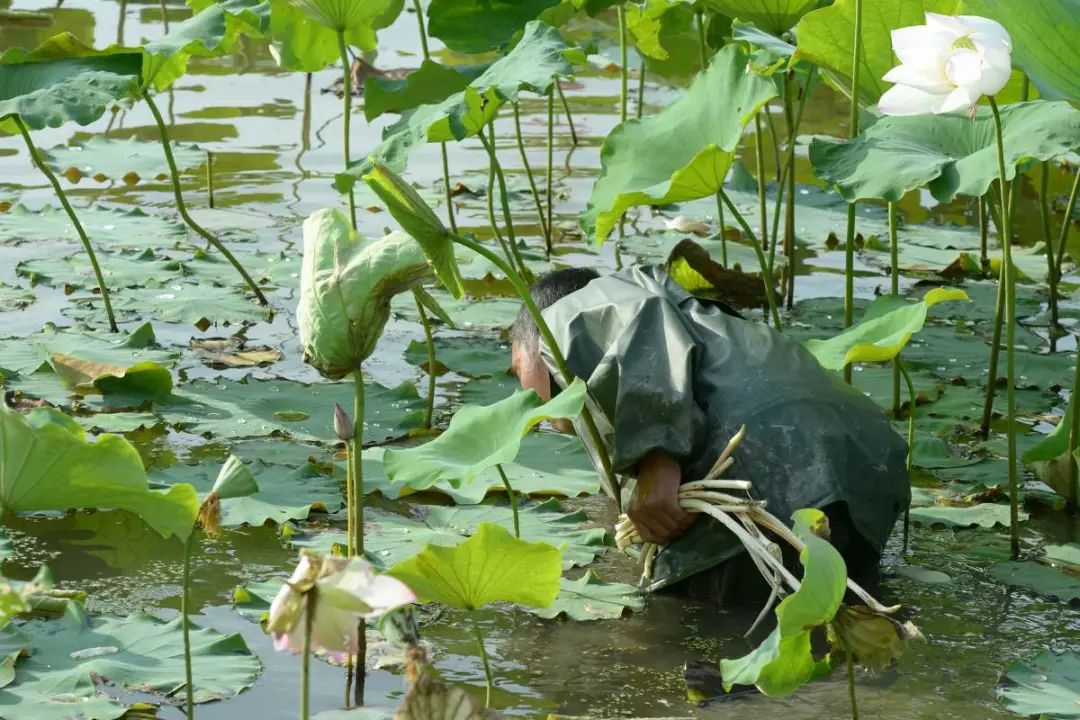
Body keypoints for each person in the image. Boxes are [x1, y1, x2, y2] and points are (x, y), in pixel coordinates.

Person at [509, 265, 910, 603]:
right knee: (835, 619)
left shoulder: (571, 313)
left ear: (532, 342)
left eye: (516, 370)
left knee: (688, 633)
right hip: (866, 468)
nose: (520, 393)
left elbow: (643, 319)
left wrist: (657, 460)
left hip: (774, 477)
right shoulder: (699, 315)